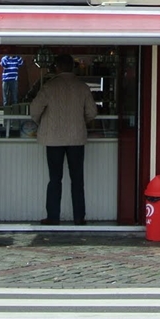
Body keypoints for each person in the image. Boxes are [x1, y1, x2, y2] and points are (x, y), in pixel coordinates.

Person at [30, 53, 98, 226]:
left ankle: (53, 217)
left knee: (55, 179)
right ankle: (79, 217)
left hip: (53, 138)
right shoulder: (82, 87)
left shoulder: (49, 86)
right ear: (73, 67)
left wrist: (42, 122)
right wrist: (81, 121)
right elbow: (92, 112)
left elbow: (34, 110)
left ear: (57, 67)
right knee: (77, 179)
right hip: (76, 138)